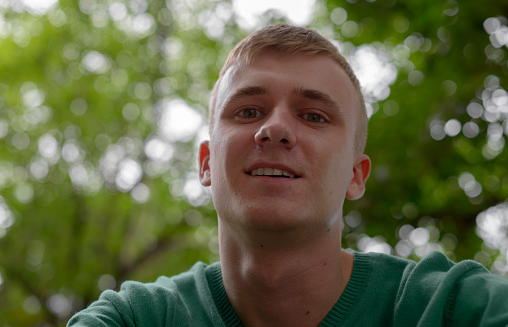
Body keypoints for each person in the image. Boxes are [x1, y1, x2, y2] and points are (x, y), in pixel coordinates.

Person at [68, 24, 508, 326]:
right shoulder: (138, 318)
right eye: (248, 111)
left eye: (314, 116)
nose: (274, 129)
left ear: (357, 176)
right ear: (205, 163)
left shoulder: (445, 308)